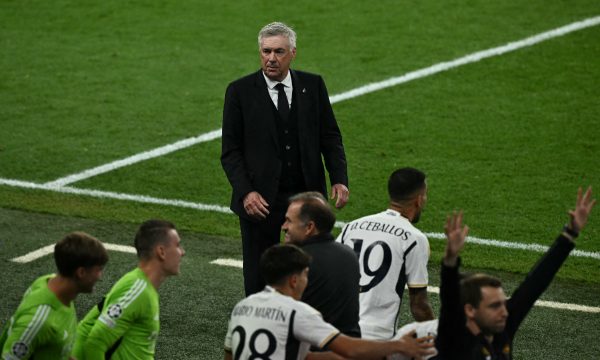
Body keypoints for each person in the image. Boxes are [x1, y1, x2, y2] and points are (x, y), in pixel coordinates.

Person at [221, 21, 349, 296]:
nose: (271, 58)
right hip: (260, 200)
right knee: (258, 270)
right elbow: (230, 151)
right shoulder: (239, 92)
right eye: (266, 51)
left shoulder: (313, 86)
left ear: (292, 53)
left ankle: (306, 326)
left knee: (309, 266)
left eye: (278, 52)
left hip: (307, 197)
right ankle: (257, 324)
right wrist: (246, 193)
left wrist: (339, 179)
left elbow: (330, 136)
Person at [437, 187, 596, 359]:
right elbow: (450, 298)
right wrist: (450, 261)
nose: (504, 311)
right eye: (494, 306)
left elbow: (535, 284)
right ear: (470, 310)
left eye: (503, 303)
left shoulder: (502, 329)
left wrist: (570, 234)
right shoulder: (454, 338)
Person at [224, 244, 434, 360]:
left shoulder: (242, 307)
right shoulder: (298, 312)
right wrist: (399, 345)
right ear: (295, 280)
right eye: (306, 275)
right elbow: (350, 349)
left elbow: (231, 355)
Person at [336, 167, 434, 340]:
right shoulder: (414, 238)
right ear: (419, 200)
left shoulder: (352, 226)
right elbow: (419, 306)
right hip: (376, 338)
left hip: (336, 333)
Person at [71, 219, 185, 360]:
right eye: (178, 245)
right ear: (161, 252)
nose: (182, 252)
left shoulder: (144, 288)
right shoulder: (138, 290)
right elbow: (95, 342)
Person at [0, 232, 108, 359]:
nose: (100, 277)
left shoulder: (51, 283)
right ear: (81, 272)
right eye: (99, 270)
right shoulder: (41, 321)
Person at [282, 191, 361, 337]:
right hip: (349, 349)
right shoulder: (349, 255)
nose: (284, 226)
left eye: (289, 221)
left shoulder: (295, 261)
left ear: (309, 227)